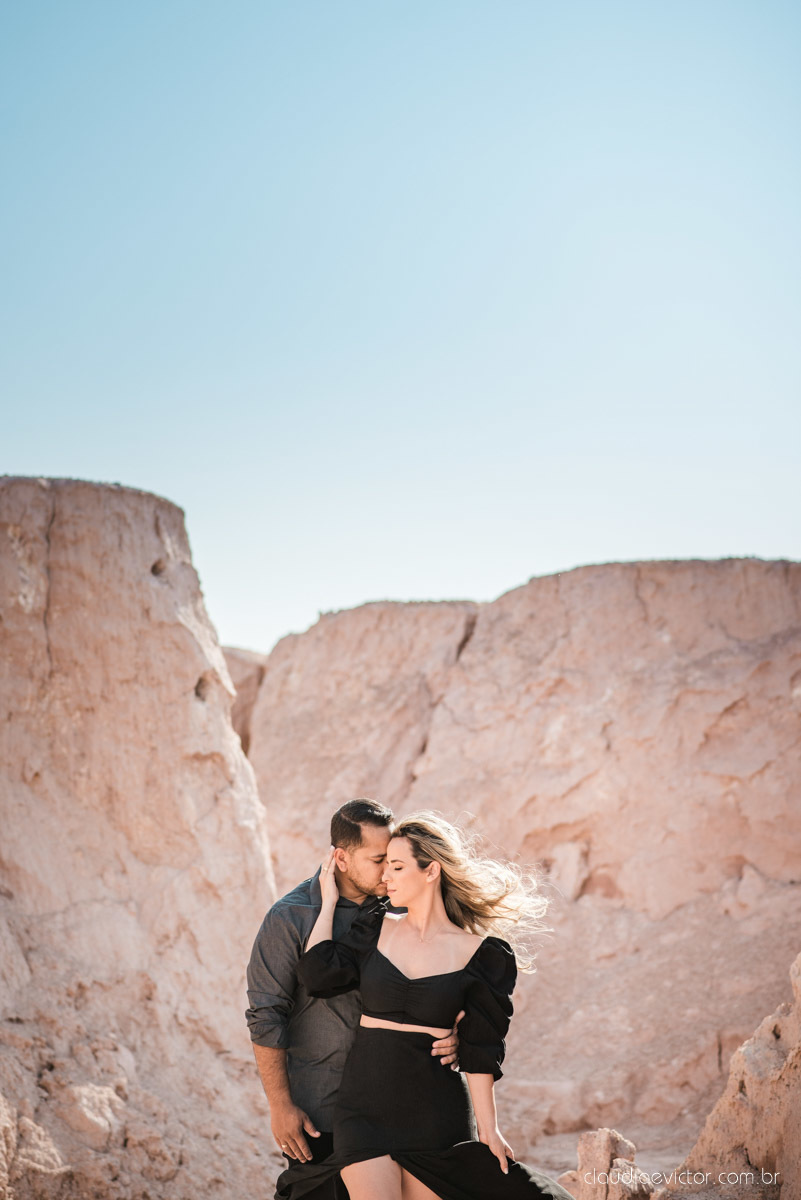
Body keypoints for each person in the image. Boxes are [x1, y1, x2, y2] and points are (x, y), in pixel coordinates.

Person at [289, 812, 575, 1200]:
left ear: (431, 871)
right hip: (364, 1108)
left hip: (436, 1114)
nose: (385, 876)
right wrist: (328, 903)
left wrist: (489, 1129)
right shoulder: (374, 926)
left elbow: (480, 1052)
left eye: (397, 866)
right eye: (384, 866)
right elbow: (318, 975)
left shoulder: (484, 956)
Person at [245, 799, 460, 1200]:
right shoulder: (291, 919)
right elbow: (266, 1015)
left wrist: (460, 1029)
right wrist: (280, 1105)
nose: (389, 869)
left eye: (394, 857)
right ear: (341, 858)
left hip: (405, 1106)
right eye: (379, 859)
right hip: (322, 1113)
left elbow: (452, 973)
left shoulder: (403, 904)